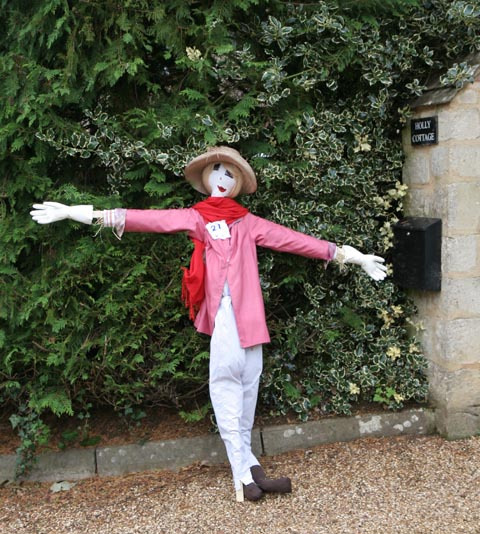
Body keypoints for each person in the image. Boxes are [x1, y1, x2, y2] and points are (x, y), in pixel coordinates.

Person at [30, 146, 387, 502]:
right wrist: (75, 213)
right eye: (216, 170)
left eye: (230, 173)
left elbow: (296, 241)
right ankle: (241, 475)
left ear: (238, 183)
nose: (222, 178)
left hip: (250, 317)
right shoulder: (197, 218)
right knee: (225, 383)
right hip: (224, 315)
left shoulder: (249, 223)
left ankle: (249, 464)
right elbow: (145, 219)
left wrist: (352, 256)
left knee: (249, 384)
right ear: (205, 177)